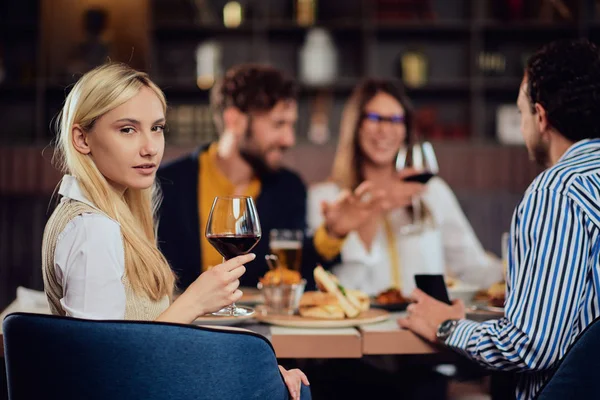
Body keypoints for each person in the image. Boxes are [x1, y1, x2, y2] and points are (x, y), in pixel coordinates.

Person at [40, 62, 308, 399]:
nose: (150, 147)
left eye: (157, 128)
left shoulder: (109, 217)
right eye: (127, 130)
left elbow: (138, 340)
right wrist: (195, 300)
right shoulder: (93, 230)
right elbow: (103, 367)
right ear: (82, 138)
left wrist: (250, 367)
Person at [398, 38, 600, 400]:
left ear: (541, 117)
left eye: (521, 113)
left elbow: (529, 346)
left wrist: (446, 326)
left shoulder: (556, 192)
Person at [157, 64, 386, 291]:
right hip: (184, 321)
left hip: (260, 323)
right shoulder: (167, 183)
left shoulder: (289, 187)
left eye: (291, 125)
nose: (289, 139)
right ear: (235, 121)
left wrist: (333, 232)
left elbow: (294, 274)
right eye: (279, 124)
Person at [307, 78, 503, 296]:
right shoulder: (325, 197)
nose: (385, 130)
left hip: (426, 324)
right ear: (356, 125)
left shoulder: (432, 192)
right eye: (374, 118)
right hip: (362, 325)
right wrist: (376, 209)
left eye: (396, 120)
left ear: (406, 129)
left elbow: (471, 267)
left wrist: (518, 270)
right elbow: (342, 286)